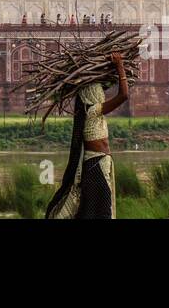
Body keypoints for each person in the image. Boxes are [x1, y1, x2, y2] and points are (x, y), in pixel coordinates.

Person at [46, 52, 130, 219]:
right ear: (90, 96)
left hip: (97, 165)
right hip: (95, 166)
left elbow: (110, 86)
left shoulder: (93, 113)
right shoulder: (92, 111)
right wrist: (120, 66)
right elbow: (124, 95)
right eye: (98, 93)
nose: (102, 96)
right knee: (101, 211)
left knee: (92, 211)